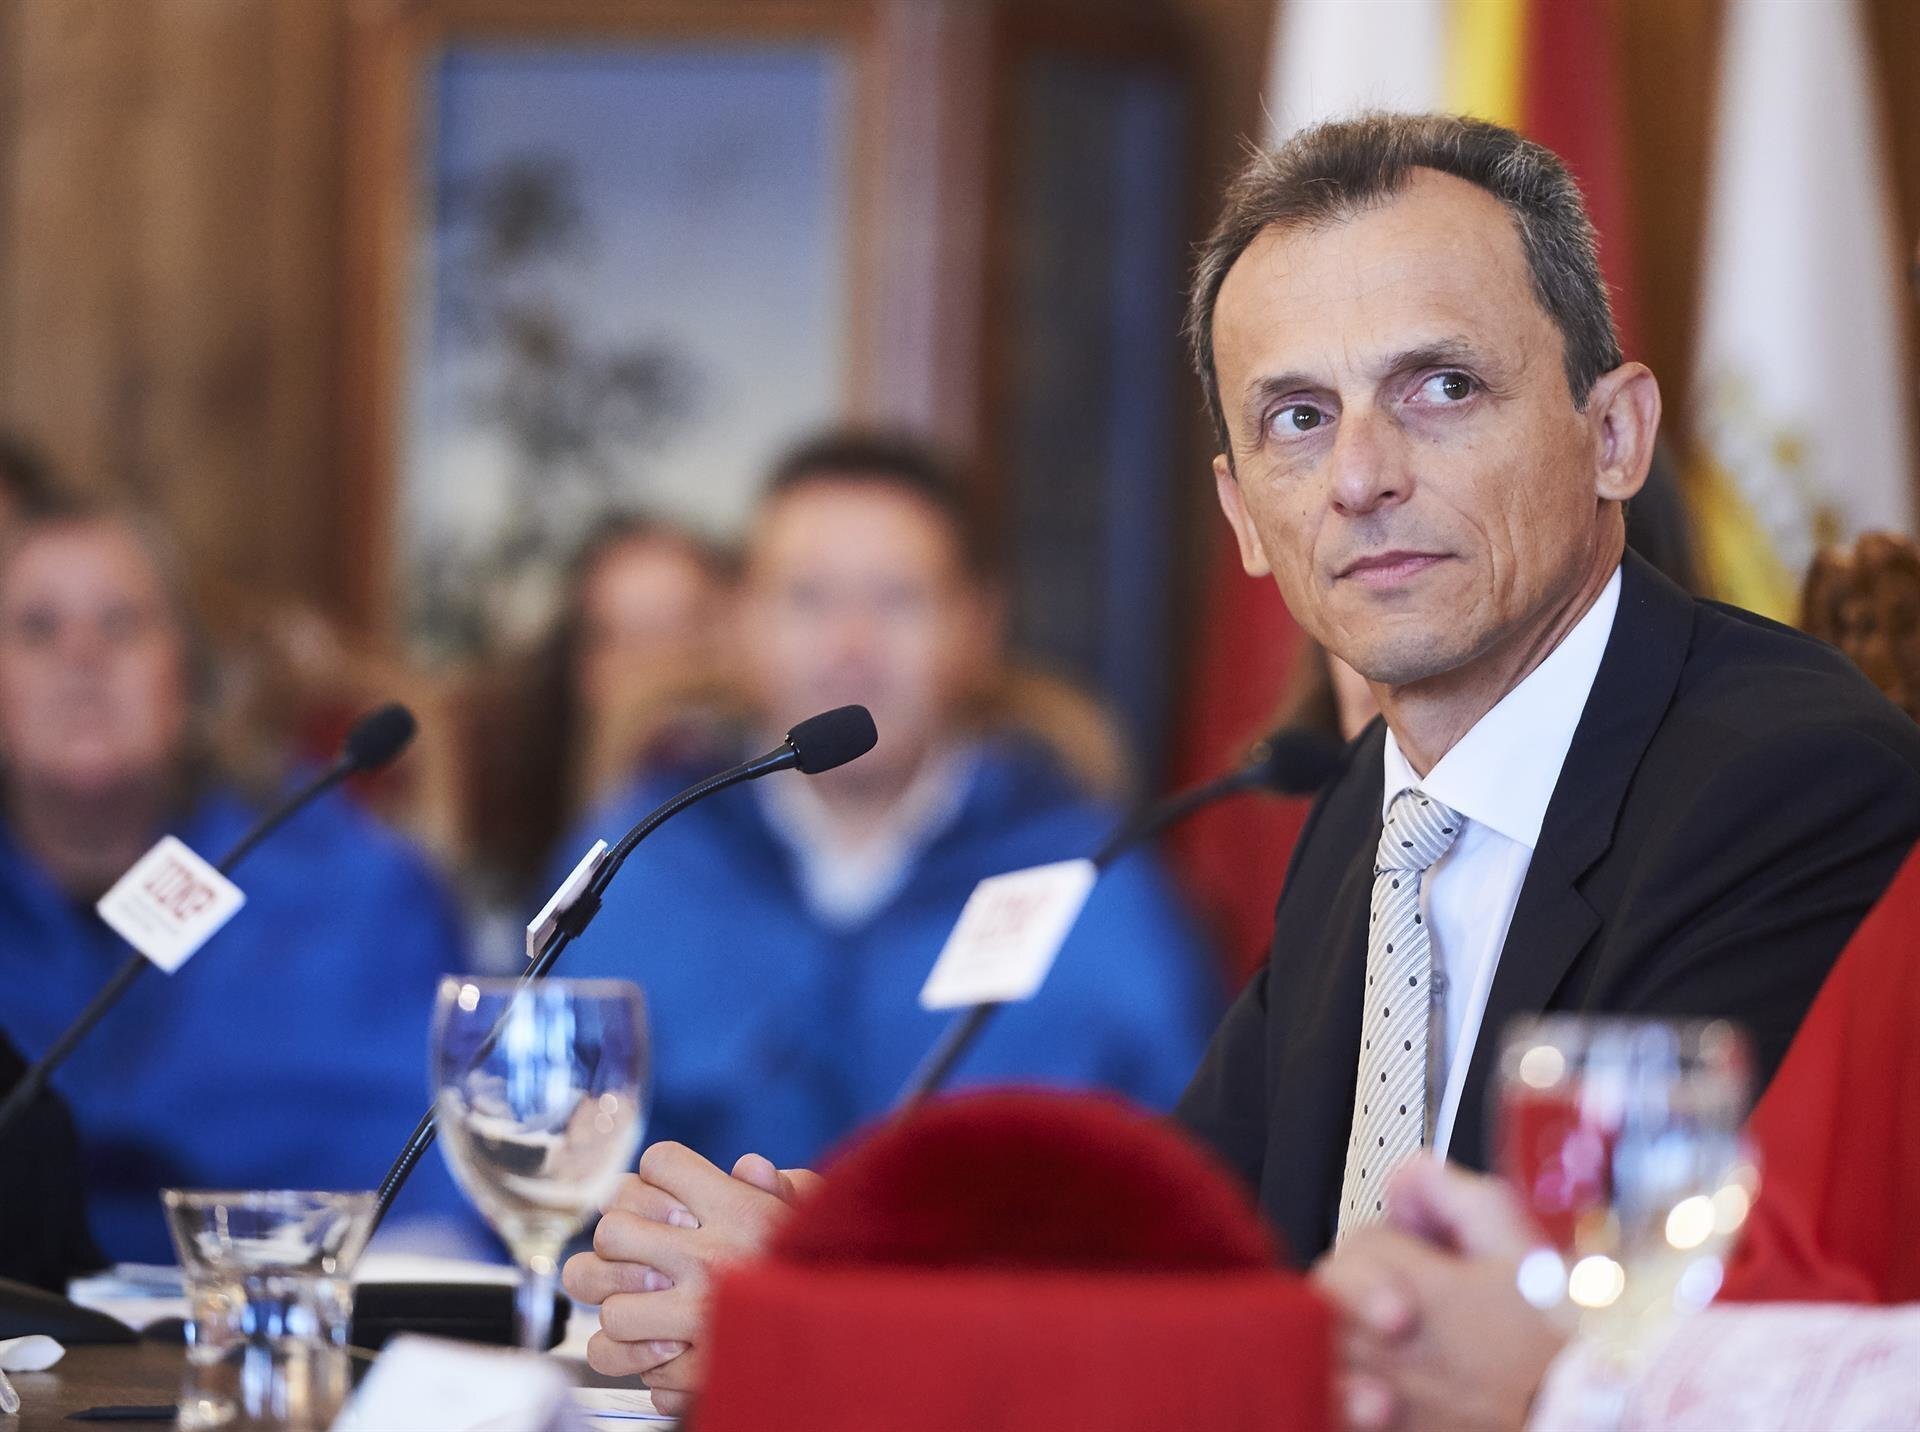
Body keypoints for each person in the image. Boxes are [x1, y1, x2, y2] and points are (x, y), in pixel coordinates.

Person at [563, 112, 1920, 1410]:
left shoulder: (1787, 787)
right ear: (1244, 517)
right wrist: (832, 1273)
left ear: (1614, 435)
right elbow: (1189, 1259)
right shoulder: (1372, 811)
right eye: (1298, 418)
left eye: (1442, 387)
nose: (1361, 476)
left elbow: (1512, 1347)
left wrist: (850, 1323)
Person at [546, 430, 1219, 1175]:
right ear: (740, 623)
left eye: (897, 598)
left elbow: (1185, 1177)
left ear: (978, 625)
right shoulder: (641, 861)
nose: (851, 644)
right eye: (809, 598)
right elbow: (532, 1150)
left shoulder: (1091, 880)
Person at [0, 497, 474, 1262]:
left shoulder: (347, 886)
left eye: (119, 623)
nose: (80, 656)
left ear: (189, 679)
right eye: (37, 628)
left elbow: (435, 1187)